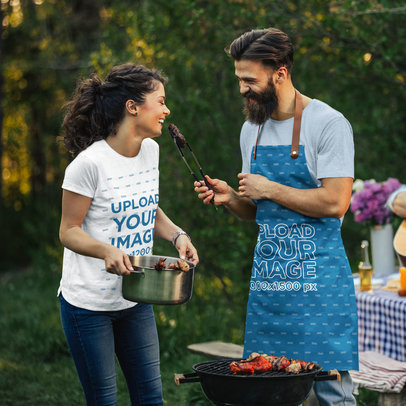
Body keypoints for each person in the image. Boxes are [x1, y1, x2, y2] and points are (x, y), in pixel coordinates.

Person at [195, 28, 357, 405]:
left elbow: (336, 202)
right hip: (271, 290)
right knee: (266, 393)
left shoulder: (329, 124)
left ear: (280, 73)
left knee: (333, 392)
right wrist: (232, 198)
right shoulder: (251, 129)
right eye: (239, 79)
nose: (242, 89)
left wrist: (268, 188)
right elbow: (259, 213)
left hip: (320, 287)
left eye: (250, 80)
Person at [58, 63, 199, 406]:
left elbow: (146, 207)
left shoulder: (151, 151)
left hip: (136, 298)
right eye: (160, 101)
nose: (167, 110)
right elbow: (68, 231)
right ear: (132, 107)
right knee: (104, 400)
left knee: (151, 397)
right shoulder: (88, 165)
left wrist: (177, 236)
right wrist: (106, 251)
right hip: (88, 305)